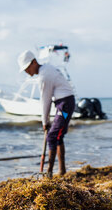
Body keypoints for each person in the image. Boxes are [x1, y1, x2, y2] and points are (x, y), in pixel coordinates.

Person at [17, 50, 75, 178]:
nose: (27, 72)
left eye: (27, 68)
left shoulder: (44, 76)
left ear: (33, 62)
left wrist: (45, 121)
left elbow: (45, 100)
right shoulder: (47, 69)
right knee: (58, 136)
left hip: (64, 105)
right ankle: (62, 170)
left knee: (52, 136)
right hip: (65, 103)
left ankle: (49, 172)